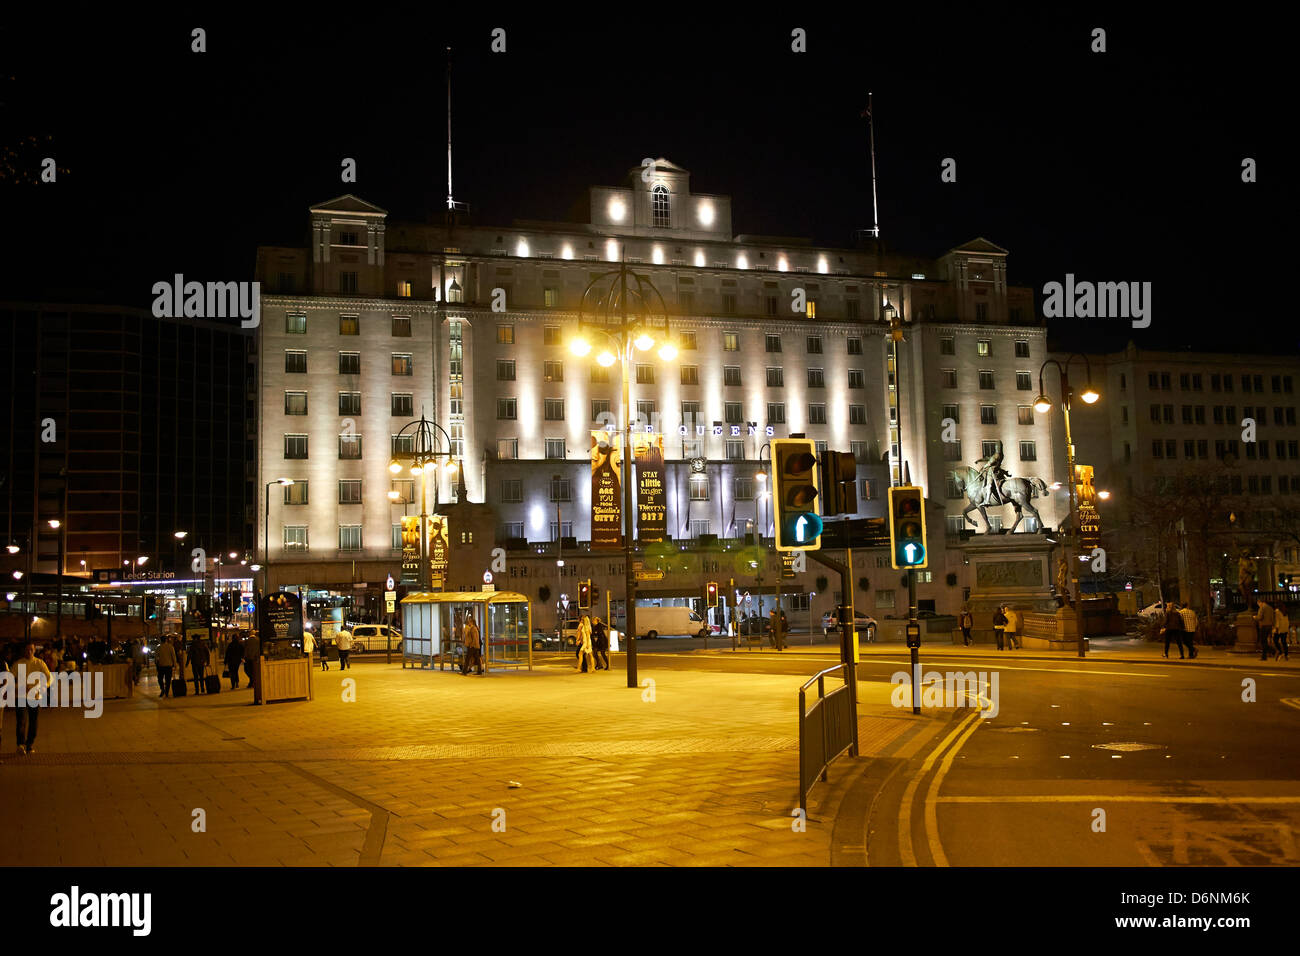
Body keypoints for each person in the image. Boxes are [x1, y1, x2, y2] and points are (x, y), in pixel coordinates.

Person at [12, 643, 51, 755]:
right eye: (27, 649)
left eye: (31, 649)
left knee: (33, 722)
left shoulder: (39, 663)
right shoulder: (18, 664)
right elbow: (10, 677)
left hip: (34, 696)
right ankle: (20, 744)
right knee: (21, 721)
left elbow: (49, 678)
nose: (29, 652)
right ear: (24, 651)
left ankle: (29, 744)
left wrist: (40, 688)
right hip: (21, 696)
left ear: (34, 651)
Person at [244, 631, 263, 704]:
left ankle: (251, 681)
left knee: (249, 670)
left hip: (249, 658)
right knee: (255, 671)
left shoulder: (247, 641)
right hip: (256, 658)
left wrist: (245, 657)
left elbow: (246, 649)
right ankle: (253, 682)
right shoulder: (258, 640)